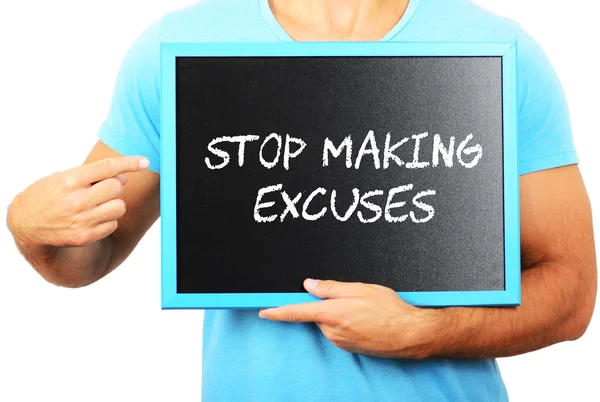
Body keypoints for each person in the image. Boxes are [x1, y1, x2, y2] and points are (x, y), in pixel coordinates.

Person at [6, 0, 597, 400]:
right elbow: (89, 258)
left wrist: (424, 332)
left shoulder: (495, 48)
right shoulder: (179, 47)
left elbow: (571, 293)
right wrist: (30, 227)